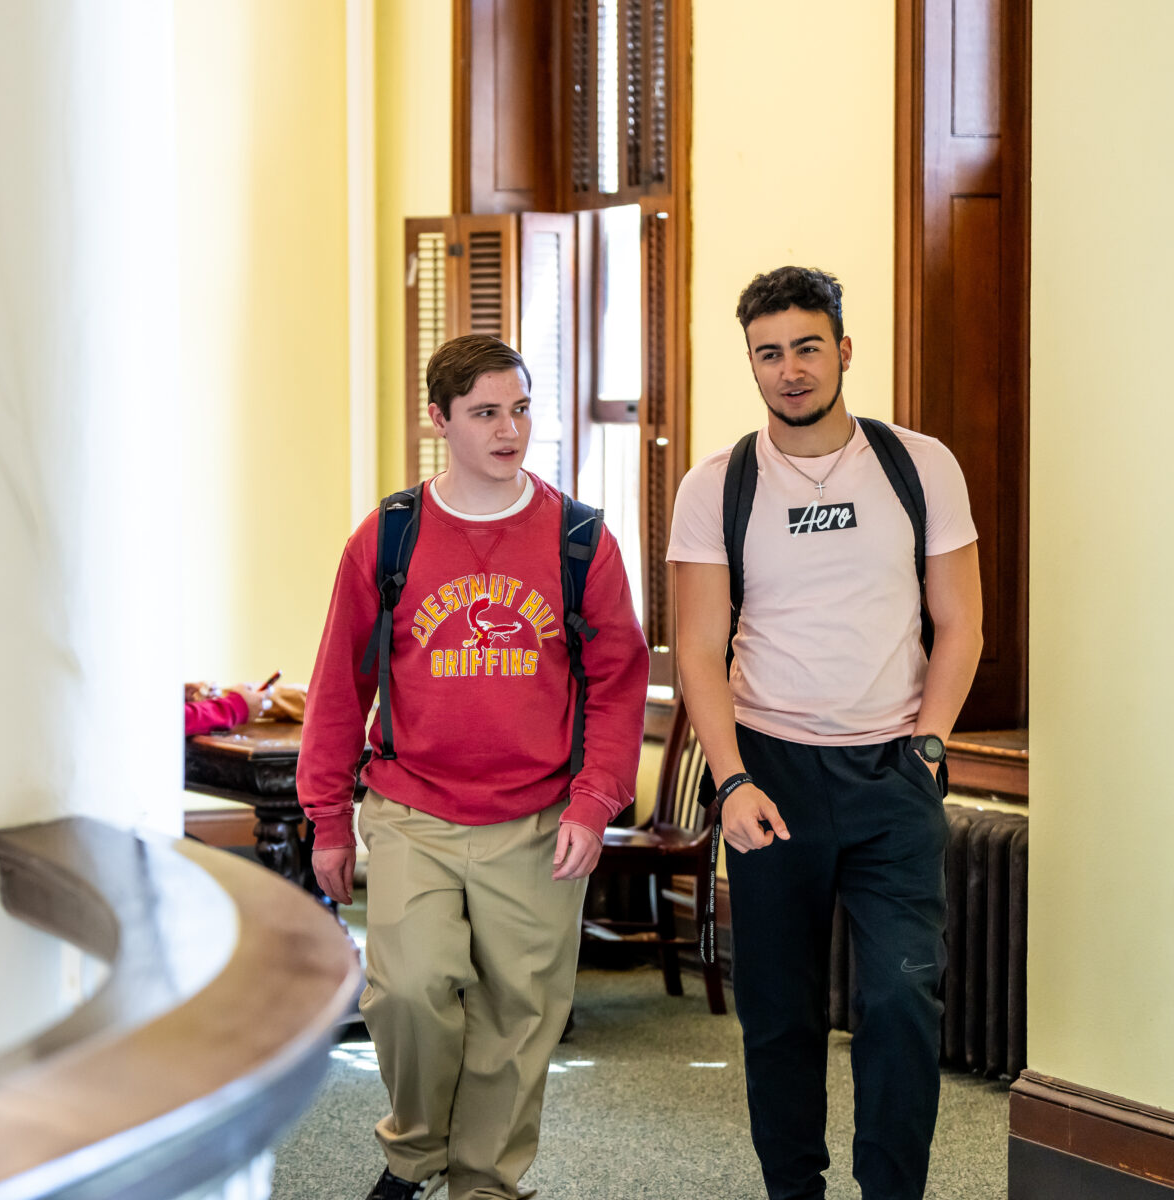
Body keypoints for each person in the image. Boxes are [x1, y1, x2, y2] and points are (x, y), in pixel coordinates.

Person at [299, 334, 648, 1200]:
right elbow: (340, 685)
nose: (509, 430)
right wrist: (328, 819)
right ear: (440, 421)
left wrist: (593, 801)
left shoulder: (579, 541)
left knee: (517, 1021)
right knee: (410, 991)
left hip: (537, 820)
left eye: (521, 409)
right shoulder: (390, 537)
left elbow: (617, 683)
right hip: (413, 805)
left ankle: (485, 1184)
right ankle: (414, 1152)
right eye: (486, 413)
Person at [667, 267, 982, 1200]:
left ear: (844, 350)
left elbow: (961, 623)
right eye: (770, 353)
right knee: (779, 1015)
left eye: (808, 347)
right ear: (752, 365)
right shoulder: (717, 485)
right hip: (769, 776)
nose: (791, 370)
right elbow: (697, 647)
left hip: (893, 773)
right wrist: (730, 783)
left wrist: (928, 746)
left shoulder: (918, 465)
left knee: (899, 1003)